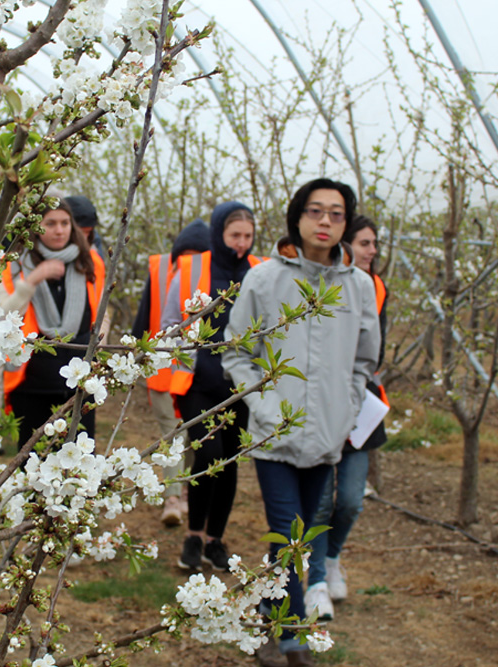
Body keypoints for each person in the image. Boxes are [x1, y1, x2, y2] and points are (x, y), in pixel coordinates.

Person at [222, 179, 381, 667]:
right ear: (297, 218)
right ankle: (291, 639)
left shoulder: (357, 287)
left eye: (336, 214)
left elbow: (362, 360)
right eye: (316, 211)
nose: (326, 221)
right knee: (289, 530)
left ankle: (271, 614)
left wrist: (345, 410)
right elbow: (237, 350)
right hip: (274, 433)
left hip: (328, 437)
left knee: (302, 536)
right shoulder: (266, 279)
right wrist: (264, 406)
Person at [158, 203, 263, 570]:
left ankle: (214, 540)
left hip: (242, 384)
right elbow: (171, 322)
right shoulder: (191, 268)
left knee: (230, 461)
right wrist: (186, 357)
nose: (241, 244)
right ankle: (193, 535)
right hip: (197, 381)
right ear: (220, 233)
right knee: (206, 455)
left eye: (248, 237)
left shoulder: (259, 270)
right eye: (235, 236)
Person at [305, 215, 389, 620]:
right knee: (320, 503)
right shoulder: (322, 284)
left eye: (375, 243)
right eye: (366, 243)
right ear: (345, 245)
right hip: (321, 406)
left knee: (352, 499)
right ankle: (316, 579)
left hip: (361, 408)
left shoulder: (376, 288)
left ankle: (333, 556)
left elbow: (376, 351)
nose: (373, 250)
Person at [0, 199, 107, 449]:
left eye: (65, 223)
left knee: (79, 458)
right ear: (36, 227)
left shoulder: (91, 260)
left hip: (80, 382)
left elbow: (102, 312)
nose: (59, 230)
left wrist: (98, 350)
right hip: (32, 383)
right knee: (33, 459)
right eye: (51, 223)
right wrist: (34, 279)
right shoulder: (16, 262)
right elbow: (3, 316)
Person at [131, 219, 210, 526]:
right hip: (163, 365)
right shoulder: (160, 269)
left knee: (192, 431)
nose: (190, 261)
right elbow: (143, 314)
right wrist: (138, 355)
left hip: (196, 371)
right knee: (171, 431)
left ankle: (186, 488)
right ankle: (173, 497)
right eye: (185, 254)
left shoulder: (215, 277)